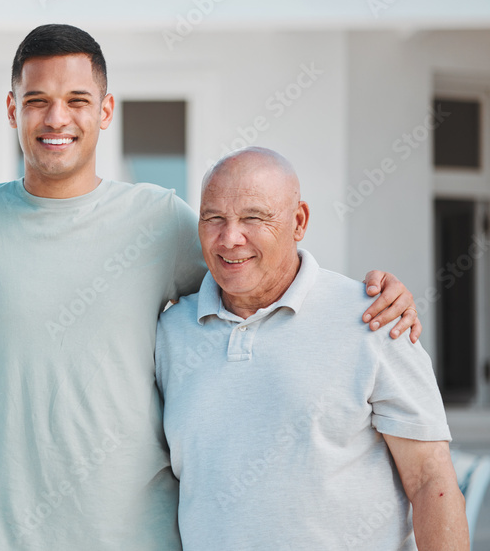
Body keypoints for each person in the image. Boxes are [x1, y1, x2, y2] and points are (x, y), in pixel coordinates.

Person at [0, 25, 421, 550]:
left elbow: (258, 268)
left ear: (106, 110)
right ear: (12, 109)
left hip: (143, 536)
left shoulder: (158, 220)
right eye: (36, 100)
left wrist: (365, 295)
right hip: (8, 537)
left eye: (75, 100)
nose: (55, 117)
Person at [155, 147, 468, 550]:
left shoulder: (374, 317)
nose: (230, 238)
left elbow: (431, 482)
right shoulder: (170, 334)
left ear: (298, 221)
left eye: (254, 217)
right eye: (214, 218)